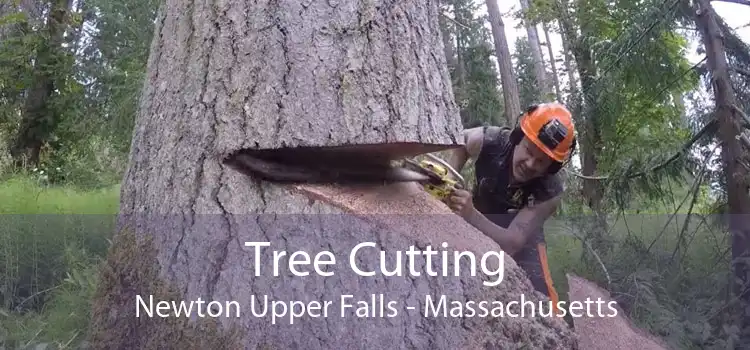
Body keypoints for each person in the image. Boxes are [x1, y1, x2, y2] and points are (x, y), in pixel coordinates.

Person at [445, 102, 577, 313]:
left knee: (544, 299)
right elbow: (462, 140)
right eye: (529, 151)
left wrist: (470, 214)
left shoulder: (550, 191)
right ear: (517, 138)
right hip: (478, 217)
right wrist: (449, 178)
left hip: (522, 237)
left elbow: (513, 242)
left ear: (552, 167)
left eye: (541, 161)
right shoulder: (492, 140)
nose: (531, 164)